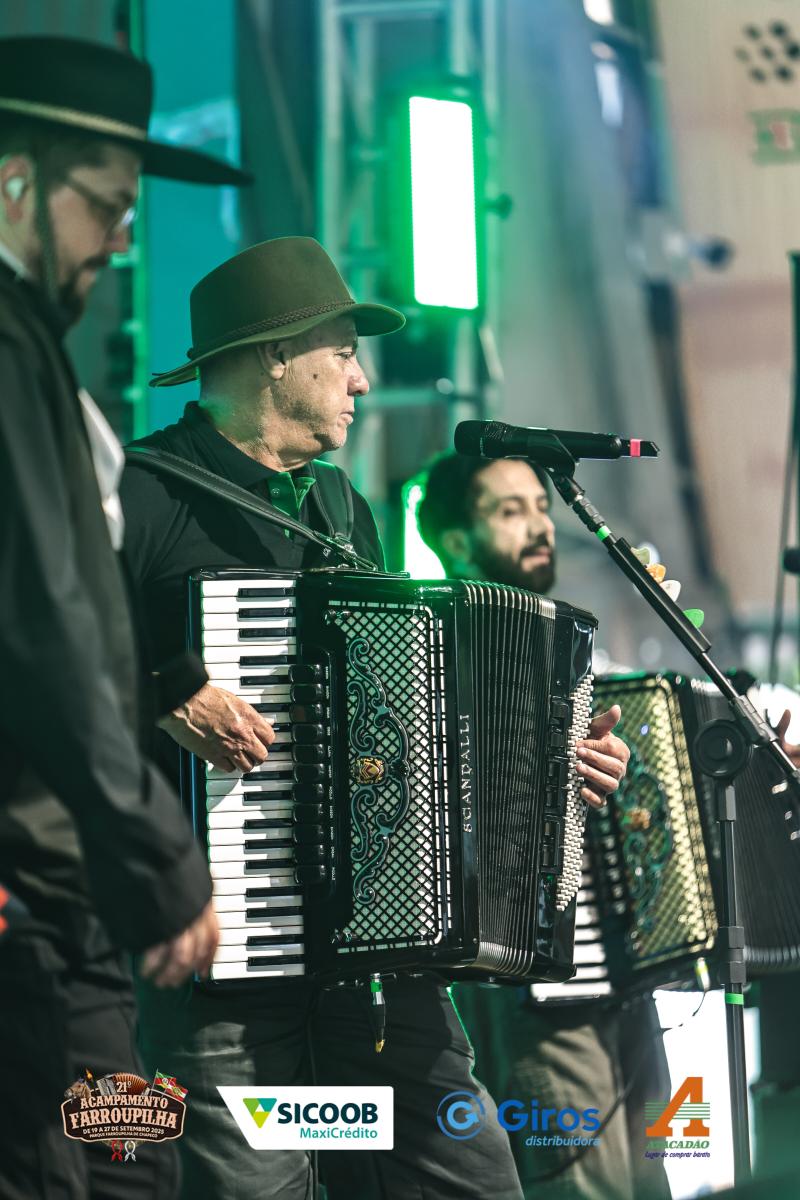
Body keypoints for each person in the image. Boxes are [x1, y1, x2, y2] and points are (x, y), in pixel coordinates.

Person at [119, 234, 526, 1200]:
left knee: (469, 1180)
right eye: (343, 351)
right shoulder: (143, 493)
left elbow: (398, 718)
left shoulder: (342, 510)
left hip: (371, 957)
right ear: (275, 353)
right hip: (222, 964)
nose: (362, 377)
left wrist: (532, 759)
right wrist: (161, 688)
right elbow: (43, 658)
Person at [0, 35, 249, 1200]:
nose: (121, 239)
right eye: (106, 205)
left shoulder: (30, 348)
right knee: (110, 1174)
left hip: (65, 895)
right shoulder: (7, 345)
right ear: (16, 181)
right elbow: (41, 621)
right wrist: (157, 857)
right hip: (41, 899)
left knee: (128, 1165)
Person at [417, 452, 670, 1200]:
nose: (540, 526)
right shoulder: (432, 650)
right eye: (509, 510)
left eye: (540, 506)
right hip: (529, 990)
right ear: (454, 539)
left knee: (656, 1181)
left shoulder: (571, 650)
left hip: (622, 975)